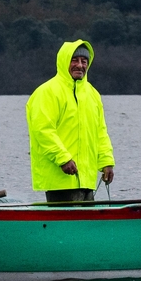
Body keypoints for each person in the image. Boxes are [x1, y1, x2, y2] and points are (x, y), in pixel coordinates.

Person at [26, 40, 115, 202]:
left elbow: (100, 132)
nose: (80, 65)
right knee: (66, 225)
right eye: (74, 60)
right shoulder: (47, 92)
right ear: (64, 61)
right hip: (59, 179)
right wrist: (63, 159)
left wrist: (106, 162)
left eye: (84, 61)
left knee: (87, 226)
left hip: (87, 179)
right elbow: (43, 130)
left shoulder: (93, 94)